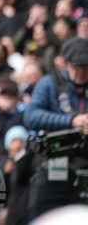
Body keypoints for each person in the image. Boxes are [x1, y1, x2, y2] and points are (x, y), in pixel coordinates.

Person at [24, 36, 88, 219]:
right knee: (43, 216)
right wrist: (72, 121)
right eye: (77, 66)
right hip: (55, 164)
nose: (82, 72)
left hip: (85, 167)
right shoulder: (49, 83)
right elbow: (30, 116)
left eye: (86, 66)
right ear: (64, 63)